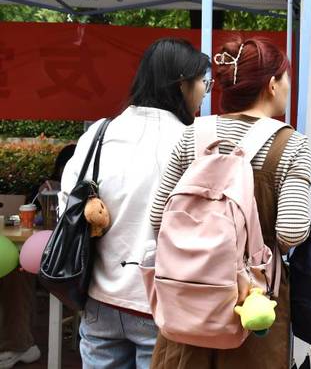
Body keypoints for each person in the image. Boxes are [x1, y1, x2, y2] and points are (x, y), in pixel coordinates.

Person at [149, 36, 311, 369]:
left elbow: (157, 218)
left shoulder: (192, 135)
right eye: (286, 79)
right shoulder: (292, 145)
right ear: (272, 85)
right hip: (253, 306)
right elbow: (291, 231)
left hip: (188, 299)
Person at [59, 38, 210, 369]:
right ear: (181, 84)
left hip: (98, 297)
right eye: (203, 82)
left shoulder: (99, 134)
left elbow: (68, 207)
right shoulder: (193, 142)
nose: (204, 92)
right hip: (161, 303)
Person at [0, 144, 75, 369]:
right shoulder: (45, 187)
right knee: (16, 269)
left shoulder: (86, 191)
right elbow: (27, 213)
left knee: (17, 271)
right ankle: (17, 342)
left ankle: (17, 343)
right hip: (32, 252)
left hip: (65, 261)